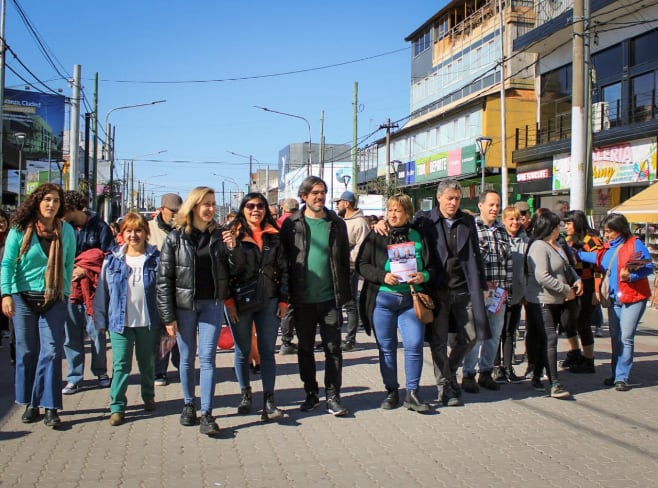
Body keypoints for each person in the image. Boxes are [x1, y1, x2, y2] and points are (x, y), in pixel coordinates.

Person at [157, 186, 230, 435]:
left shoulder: (220, 236)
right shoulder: (175, 238)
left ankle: (207, 413)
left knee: (208, 358)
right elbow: (164, 280)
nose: (210, 209)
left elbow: (233, 270)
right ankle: (189, 404)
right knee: (186, 358)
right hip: (184, 306)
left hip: (212, 304)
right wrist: (168, 316)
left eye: (213, 204)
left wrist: (233, 250)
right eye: (205, 204)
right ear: (194, 207)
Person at [1, 183, 76, 428]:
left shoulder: (65, 231)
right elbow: (8, 263)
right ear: (37, 202)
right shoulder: (19, 229)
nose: (51, 204)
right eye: (46, 199)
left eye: (55, 200)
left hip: (54, 297)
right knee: (27, 352)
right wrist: (6, 294)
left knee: (52, 352)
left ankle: (51, 406)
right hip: (23, 297)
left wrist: (63, 293)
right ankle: (31, 403)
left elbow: (68, 265)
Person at [411, 179, 490, 407]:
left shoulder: (466, 221)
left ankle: (449, 371)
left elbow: (475, 253)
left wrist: (482, 285)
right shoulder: (424, 220)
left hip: (464, 287)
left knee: (472, 334)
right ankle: (445, 388)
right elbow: (405, 234)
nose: (454, 203)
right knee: (438, 340)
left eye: (457, 199)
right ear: (439, 198)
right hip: (436, 289)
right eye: (450, 198)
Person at [280, 176, 351, 417]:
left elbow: (342, 261)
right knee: (306, 350)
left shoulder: (336, 223)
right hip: (302, 300)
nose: (320, 197)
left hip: (330, 298)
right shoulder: (291, 225)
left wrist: (345, 294)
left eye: (323, 192)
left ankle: (333, 396)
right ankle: (311, 393)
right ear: (304, 196)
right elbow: (285, 263)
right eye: (315, 193)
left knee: (333, 349)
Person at [357, 193, 432, 412]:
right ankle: (391, 391)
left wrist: (423, 277)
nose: (392, 214)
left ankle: (413, 393)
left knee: (414, 345)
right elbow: (362, 265)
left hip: (411, 300)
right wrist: (383, 276)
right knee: (386, 348)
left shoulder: (419, 236)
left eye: (397, 210)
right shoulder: (377, 235)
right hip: (383, 299)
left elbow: (432, 268)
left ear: (408, 213)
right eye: (390, 210)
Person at [224, 192, 288, 421]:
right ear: (243, 209)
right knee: (242, 351)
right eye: (250, 206)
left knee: (267, 351)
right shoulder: (232, 235)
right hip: (240, 301)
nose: (255, 210)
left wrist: (283, 300)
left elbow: (284, 270)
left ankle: (269, 401)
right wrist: (228, 302)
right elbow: (226, 274)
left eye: (260, 206)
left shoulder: (275, 236)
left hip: (269, 301)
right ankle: (245, 394)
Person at [93, 212, 161, 426]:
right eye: (129, 231)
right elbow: (102, 292)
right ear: (122, 234)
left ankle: (148, 396)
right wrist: (100, 321)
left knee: (147, 362)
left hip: (148, 321)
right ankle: (117, 406)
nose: (134, 235)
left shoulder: (156, 259)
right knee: (121, 364)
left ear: (146, 233)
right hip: (120, 322)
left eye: (138, 230)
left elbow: (163, 290)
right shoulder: (112, 259)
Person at [578, 213, 653, 391]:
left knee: (626, 337)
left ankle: (621, 377)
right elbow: (597, 259)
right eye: (605, 231)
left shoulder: (635, 244)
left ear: (621, 230)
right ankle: (616, 373)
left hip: (633, 298)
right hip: (614, 299)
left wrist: (631, 276)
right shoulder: (608, 247)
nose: (607, 235)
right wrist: (574, 253)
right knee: (615, 336)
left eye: (610, 231)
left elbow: (648, 267)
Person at [61, 190, 114, 395]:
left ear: (73, 208)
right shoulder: (64, 228)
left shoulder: (100, 226)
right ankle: (74, 377)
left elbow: (109, 257)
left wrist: (87, 268)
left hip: (94, 289)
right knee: (71, 334)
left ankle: (101, 372)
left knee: (97, 332)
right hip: (70, 288)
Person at [525, 211, 583, 399]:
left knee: (545, 340)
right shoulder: (539, 247)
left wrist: (577, 280)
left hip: (558, 301)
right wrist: (565, 289)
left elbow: (568, 267)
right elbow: (542, 276)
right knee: (550, 339)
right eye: (558, 226)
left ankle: (536, 375)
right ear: (550, 228)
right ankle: (555, 383)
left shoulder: (557, 245)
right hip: (542, 300)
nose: (561, 229)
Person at [461, 190, 512, 394]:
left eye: (497, 205)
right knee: (475, 335)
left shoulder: (501, 230)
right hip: (477, 292)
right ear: (480, 206)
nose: (494, 209)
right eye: (491, 205)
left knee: (494, 333)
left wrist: (508, 290)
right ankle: (468, 374)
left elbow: (508, 263)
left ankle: (486, 371)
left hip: (499, 292)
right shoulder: (471, 227)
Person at [562, 210, 603, 374]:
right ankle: (574, 352)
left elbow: (600, 265)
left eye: (568, 223)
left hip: (588, 284)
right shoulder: (567, 240)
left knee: (583, 322)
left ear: (577, 223)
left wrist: (597, 289)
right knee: (567, 321)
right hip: (571, 284)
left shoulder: (591, 240)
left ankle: (588, 359)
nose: (565, 226)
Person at [149, 193, 183, 386]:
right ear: (162, 209)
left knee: (181, 331)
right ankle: (159, 371)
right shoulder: (149, 228)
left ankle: (182, 367)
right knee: (163, 331)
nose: (176, 215)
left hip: (181, 288)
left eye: (179, 211)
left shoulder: (184, 228)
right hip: (158, 287)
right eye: (173, 212)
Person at [493, 205, 528, 384]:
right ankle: (495, 367)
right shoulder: (499, 238)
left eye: (517, 219)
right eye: (511, 219)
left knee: (509, 332)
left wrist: (525, 292)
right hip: (498, 292)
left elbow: (527, 269)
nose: (515, 222)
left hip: (517, 292)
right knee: (496, 331)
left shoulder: (525, 240)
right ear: (504, 221)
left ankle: (507, 367)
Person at [334, 190, 370, 352]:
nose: (337, 205)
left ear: (346, 203)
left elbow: (363, 247)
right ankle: (334, 336)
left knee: (349, 303)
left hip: (350, 267)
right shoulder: (341, 221)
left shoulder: (360, 223)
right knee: (336, 302)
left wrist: (347, 256)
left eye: (339, 202)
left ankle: (351, 339)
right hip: (338, 266)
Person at [276, 198, 299, 355]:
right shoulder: (298, 223)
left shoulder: (277, 223)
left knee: (287, 305)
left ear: (283, 208)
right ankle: (287, 341)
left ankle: (286, 340)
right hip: (297, 269)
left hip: (281, 269)